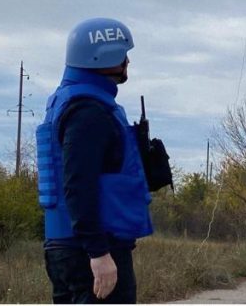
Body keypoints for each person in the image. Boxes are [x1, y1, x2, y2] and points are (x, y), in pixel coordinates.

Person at [37, 18, 153, 303]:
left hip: (70, 246)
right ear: (103, 55)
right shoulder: (89, 111)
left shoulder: (72, 102)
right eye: (123, 54)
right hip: (89, 250)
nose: (127, 61)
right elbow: (78, 183)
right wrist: (99, 253)